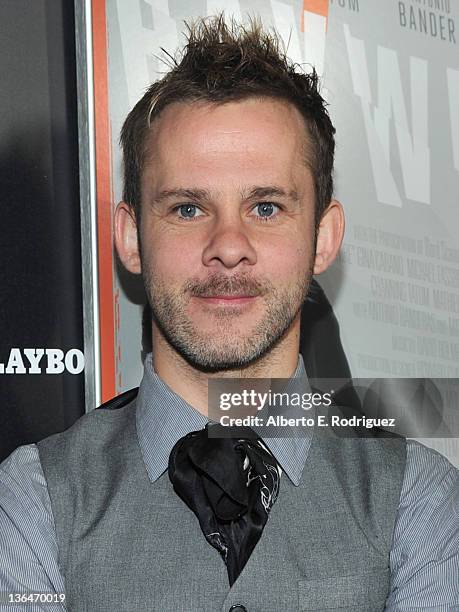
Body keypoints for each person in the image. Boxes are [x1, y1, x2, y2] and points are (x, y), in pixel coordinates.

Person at [0, 15, 458, 612]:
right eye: (188, 208)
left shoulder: (418, 501)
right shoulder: (33, 499)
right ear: (131, 238)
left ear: (323, 237)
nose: (229, 243)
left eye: (266, 208)